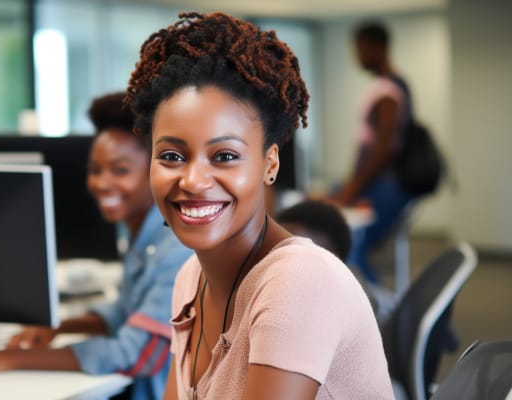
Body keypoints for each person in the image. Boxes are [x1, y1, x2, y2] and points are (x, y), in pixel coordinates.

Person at [125, 11, 395, 399]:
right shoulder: (190, 279)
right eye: (171, 155)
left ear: (269, 164)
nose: (193, 181)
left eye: (224, 156)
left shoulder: (297, 281)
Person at [0, 92, 194, 400]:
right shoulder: (140, 234)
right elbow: (125, 311)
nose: (102, 183)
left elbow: (137, 353)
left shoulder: (178, 248)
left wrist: (3, 360)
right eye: (95, 170)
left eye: (120, 170)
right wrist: (59, 327)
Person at [329, 20, 416, 285]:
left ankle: (374, 309)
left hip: (386, 184)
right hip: (380, 181)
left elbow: (382, 150)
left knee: (350, 242)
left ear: (377, 47)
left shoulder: (388, 91)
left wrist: (351, 188)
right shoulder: (388, 86)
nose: (357, 56)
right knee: (336, 228)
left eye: (361, 48)